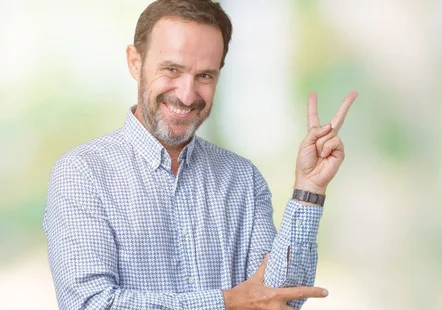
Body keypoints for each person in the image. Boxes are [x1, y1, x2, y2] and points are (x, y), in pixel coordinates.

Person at [43, 0, 357, 309]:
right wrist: (227, 302)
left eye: (204, 76)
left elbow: (279, 300)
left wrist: (310, 189)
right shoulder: (81, 174)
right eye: (171, 69)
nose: (187, 94)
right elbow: (89, 304)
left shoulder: (243, 179)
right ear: (135, 62)